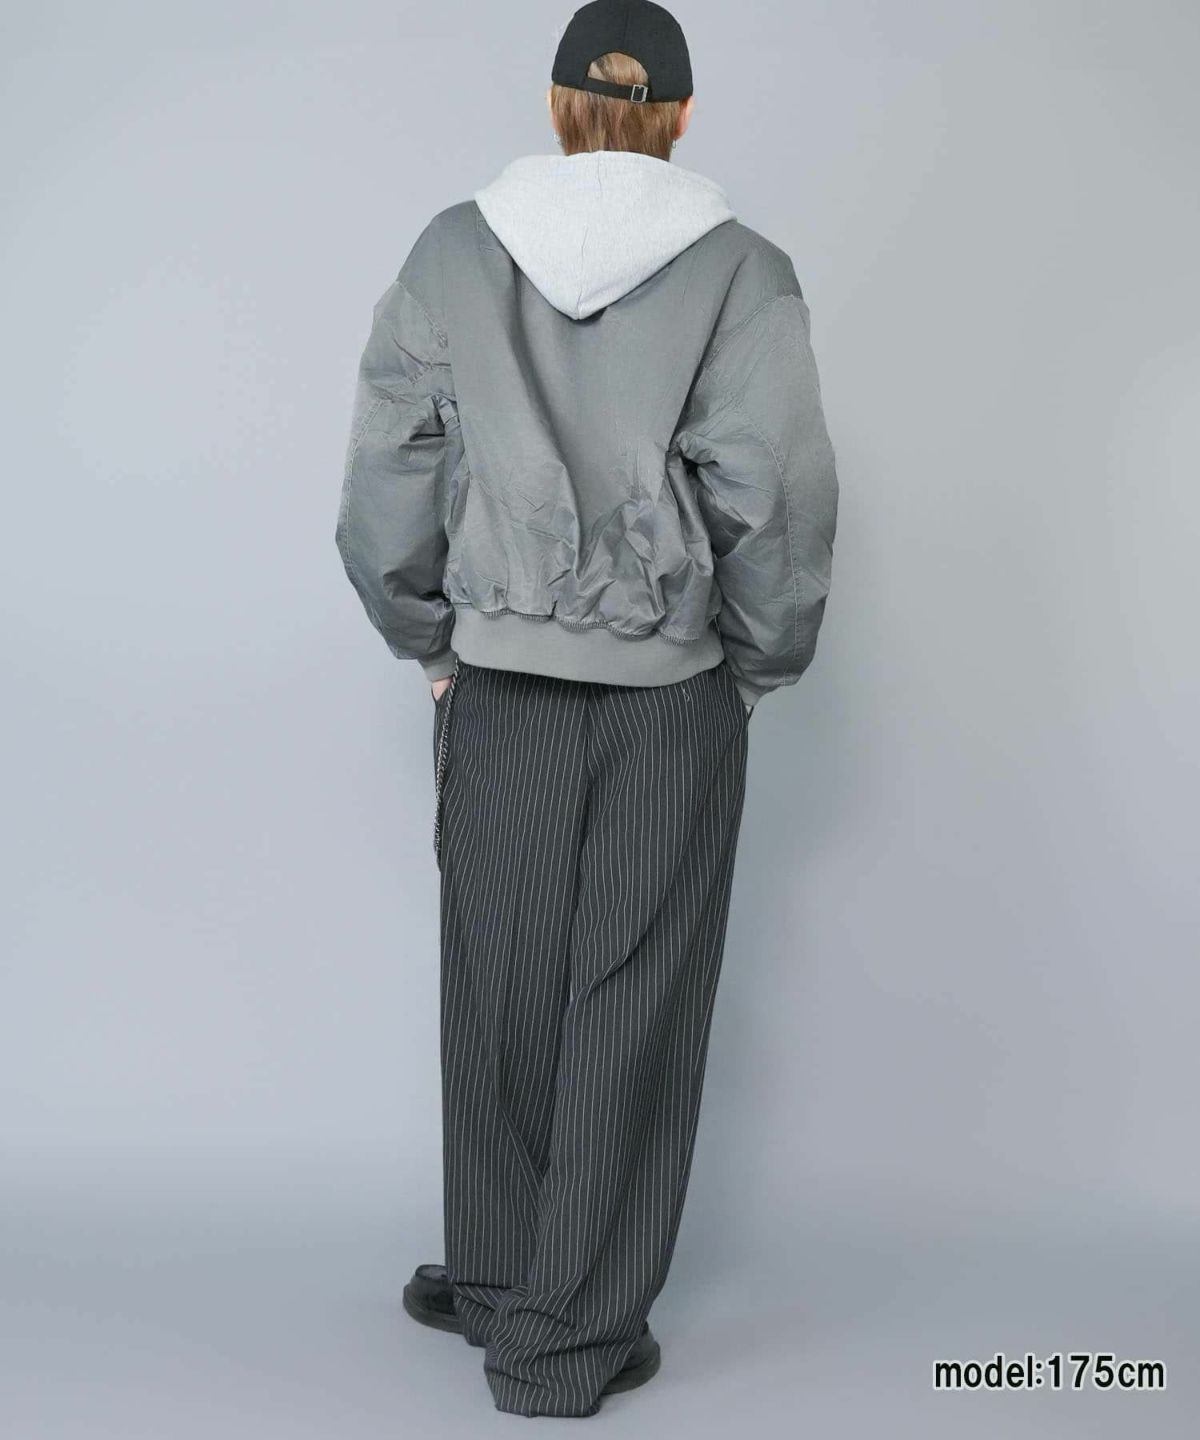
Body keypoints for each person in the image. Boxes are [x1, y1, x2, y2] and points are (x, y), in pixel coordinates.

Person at [334, 0, 839, 1418]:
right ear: (680, 116)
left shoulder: (455, 247)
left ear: (560, 106)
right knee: (631, 997)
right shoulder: (741, 268)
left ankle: (505, 1281)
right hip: (667, 691)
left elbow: (388, 467)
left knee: (498, 978)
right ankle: (559, 1329)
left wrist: (427, 634)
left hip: (499, 679)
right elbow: (778, 489)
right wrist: (758, 659)